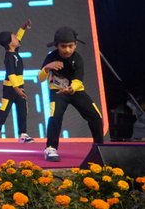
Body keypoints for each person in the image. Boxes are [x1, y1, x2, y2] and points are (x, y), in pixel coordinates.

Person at [39, 25, 106, 161]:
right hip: (58, 92)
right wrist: (46, 68)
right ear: (57, 46)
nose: (67, 50)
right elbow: (40, 78)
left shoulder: (78, 58)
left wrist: (71, 88)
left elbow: (78, 79)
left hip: (76, 91)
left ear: (75, 45)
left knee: (95, 116)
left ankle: (99, 147)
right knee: (55, 116)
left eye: (70, 46)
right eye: (63, 46)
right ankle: (51, 148)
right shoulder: (51, 57)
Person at [0, 19, 34, 143]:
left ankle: (23, 134)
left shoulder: (15, 52)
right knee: (4, 109)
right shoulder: (9, 57)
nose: (17, 38)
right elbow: (11, 73)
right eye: (14, 37)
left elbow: (19, 37)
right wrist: (16, 88)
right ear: (9, 43)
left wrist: (23, 27)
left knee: (22, 110)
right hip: (10, 88)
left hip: (19, 87)